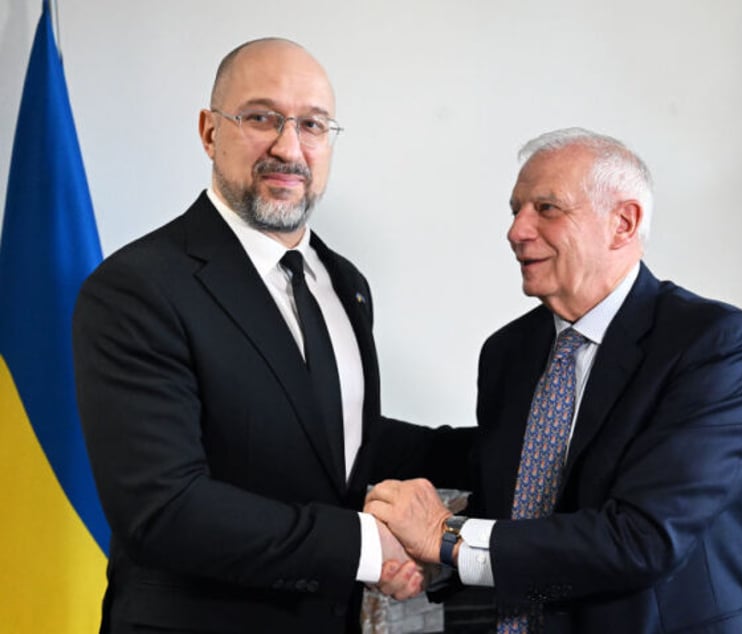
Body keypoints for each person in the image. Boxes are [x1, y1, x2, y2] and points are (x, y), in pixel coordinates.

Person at [73, 37, 470, 634]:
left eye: (312, 124)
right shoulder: (138, 288)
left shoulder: (345, 283)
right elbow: (165, 510)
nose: (289, 147)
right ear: (210, 132)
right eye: (261, 118)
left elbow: (337, 440)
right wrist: (366, 544)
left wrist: (511, 449)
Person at [366, 128, 742, 633]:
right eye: (515, 209)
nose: (516, 230)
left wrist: (444, 536)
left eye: (547, 209)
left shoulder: (715, 344)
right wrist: (431, 558)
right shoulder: (507, 352)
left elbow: (642, 540)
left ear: (622, 223)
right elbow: (515, 506)